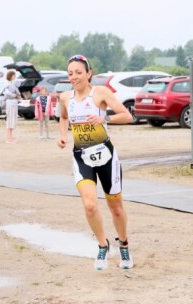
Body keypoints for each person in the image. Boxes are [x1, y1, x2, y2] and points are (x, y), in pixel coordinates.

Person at [57, 55, 134, 270]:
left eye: (78, 72)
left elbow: (127, 115)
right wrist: (63, 135)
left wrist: (104, 118)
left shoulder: (100, 93)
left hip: (106, 157)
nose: (74, 77)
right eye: (70, 73)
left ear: (89, 73)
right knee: (90, 205)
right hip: (82, 157)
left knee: (115, 206)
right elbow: (63, 118)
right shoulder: (65, 98)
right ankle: (103, 244)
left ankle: (124, 244)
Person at [3, 70, 21, 144]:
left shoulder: (12, 83)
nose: (15, 77)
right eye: (14, 75)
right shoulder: (7, 84)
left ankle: (11, 136)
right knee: (9, 120)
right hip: (10, 103)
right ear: (11, 76)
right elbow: (6, 93)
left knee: (12, 119)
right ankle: (8, 138)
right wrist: (15, 95)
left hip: (13, 102)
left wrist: (17, 96)